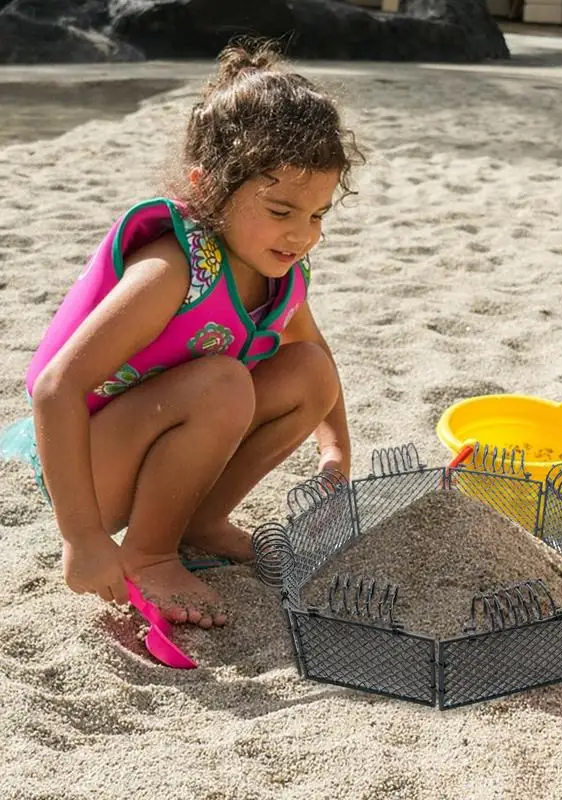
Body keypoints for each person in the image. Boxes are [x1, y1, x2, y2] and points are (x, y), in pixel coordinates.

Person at [0, 38, 362, 629]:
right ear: (209, 186)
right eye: (280, 211)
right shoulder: (174, 268)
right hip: (87, 469)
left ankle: (197, 524)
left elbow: (315, 356)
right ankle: (150, 551)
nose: (302, 235)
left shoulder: (283, 274)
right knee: (223, 381)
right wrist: (84, 538)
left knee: (308, 373)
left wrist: (336, 453)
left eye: (317, 214)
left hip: (167, 443)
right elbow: (55, 389)